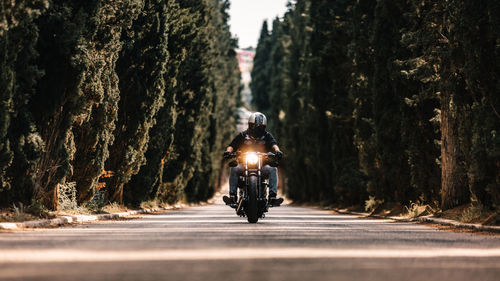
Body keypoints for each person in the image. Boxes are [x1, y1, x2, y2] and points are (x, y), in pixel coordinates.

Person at [222, 112, 284, 206]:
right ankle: (233, 197)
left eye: (260, 127)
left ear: (264, 126)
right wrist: (228, 152)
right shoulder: (243, 135)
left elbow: (273, 144)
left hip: (262, 165)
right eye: (255, 126)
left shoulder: (267, 135)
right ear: (250, 125)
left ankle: (272, 197)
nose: (257, 128)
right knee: (234, 168)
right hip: (243, 165)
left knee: (272, 169)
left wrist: (277, 151)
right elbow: (232, 145)